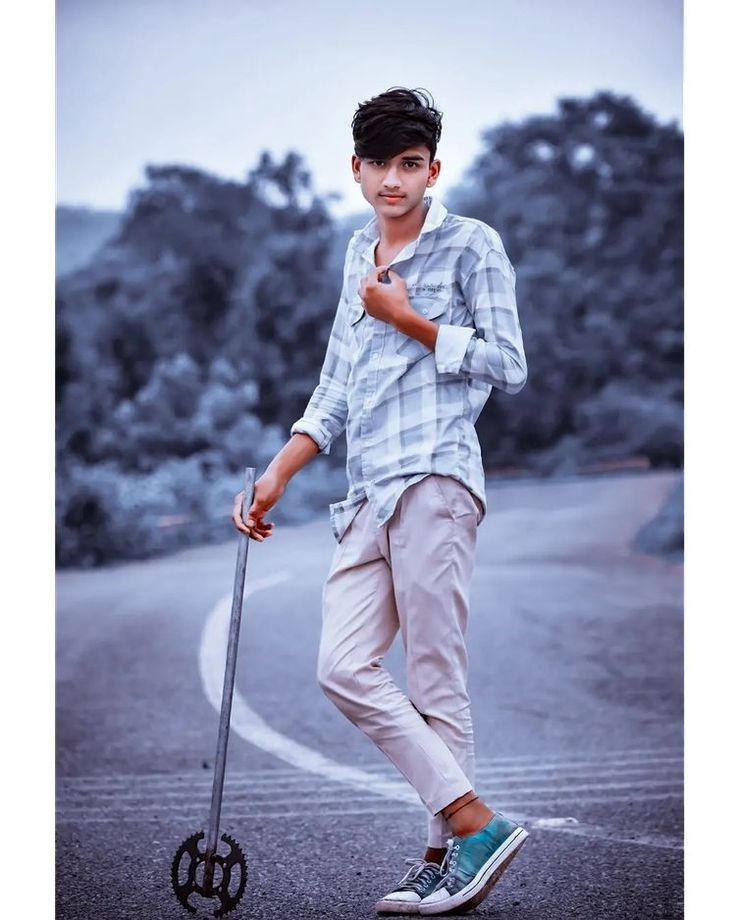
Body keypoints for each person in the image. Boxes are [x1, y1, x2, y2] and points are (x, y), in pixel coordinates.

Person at [232, 86, 529, 915]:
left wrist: (414, 321)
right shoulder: (356, 256)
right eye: (380, 165)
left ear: (433, 169)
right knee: (342, 666)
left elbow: (509, 364)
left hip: (436, 476)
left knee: (436, 680)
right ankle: (476, 822)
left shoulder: (472, 246)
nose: (395, 180)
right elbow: (335, 384)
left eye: (411, 164)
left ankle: (441, 858)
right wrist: (280, 470)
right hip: (367, 491)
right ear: (355, 170)